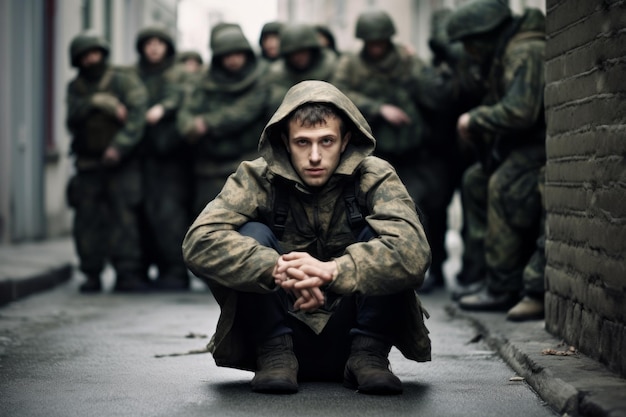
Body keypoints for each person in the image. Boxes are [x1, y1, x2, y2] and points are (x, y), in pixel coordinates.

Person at [182, 80, 432, 395]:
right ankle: (275, 353)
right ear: (286, 142)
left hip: (356, 339)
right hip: (278, 341)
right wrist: (277, 268)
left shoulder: (374, 175)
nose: (315, 156)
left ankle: (369, 355)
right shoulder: (257, 177)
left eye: (326, 141)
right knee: (252, 234)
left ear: (345, 141)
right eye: (303, 142)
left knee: (381, 234)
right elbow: (199, 241)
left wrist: (333, 271)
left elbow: (413, 252)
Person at [446, 0, 547, 319]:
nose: (469, 51)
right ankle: (487, 277)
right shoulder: (503, 53)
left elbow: (520, 112)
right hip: (519, 145)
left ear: (485, 36)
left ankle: (505, 287)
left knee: (504, 186)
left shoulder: (524, 51)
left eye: (470, 44)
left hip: (540, 146)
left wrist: (474, 120)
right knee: (475, 180)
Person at [65, 30, 148, 292]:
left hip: (122, 164)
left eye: (95, 53)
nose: (92, 59)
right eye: (86, 55)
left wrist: (119, 147)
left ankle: (127, 272)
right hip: (88, 164)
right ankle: (91, 272)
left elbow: (137, 116)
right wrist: (95, 102)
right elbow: (72, 119)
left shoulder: (123, 81)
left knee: (123, 219)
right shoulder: (76, 87)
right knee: (87, 221)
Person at [177, 24, 269, 216]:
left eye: (237, 54)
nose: (233, 60)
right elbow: (187, 111)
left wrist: (207, 123)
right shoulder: (203, 80)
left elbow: (246, 110)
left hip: (249, 163)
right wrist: (189, 127)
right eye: (227, 55)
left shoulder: (262, 78)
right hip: (209, 167)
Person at [133, 26, 191, 291]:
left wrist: (164, 108)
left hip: (172, 156)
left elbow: (182, 97)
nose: (154, 47)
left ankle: (175, 270)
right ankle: (144, 268)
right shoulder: (135, 75)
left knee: (170, 215)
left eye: (159, 42)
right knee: (142, 213)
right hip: (140, 154)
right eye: (149, 43)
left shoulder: (178, 74)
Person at [264, 23, 338, 117]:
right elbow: (276, 105)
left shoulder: (332, 66)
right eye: (293, 54)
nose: (298, 58)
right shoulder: (278, 74)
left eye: (302, 52)